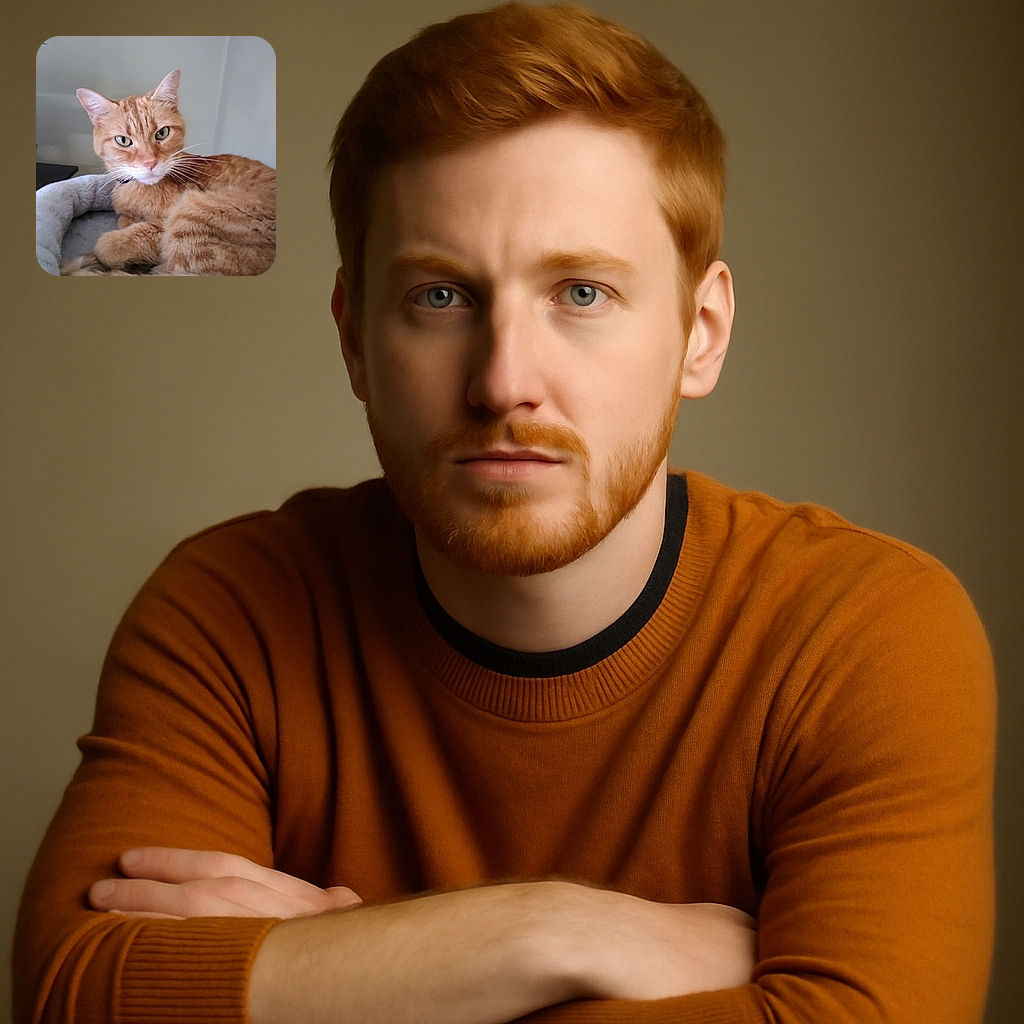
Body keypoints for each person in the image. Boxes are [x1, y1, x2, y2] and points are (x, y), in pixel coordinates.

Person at [13, 4, 995, 1023]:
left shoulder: (867, 634)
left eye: (579, 292)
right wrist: (561, 934)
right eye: (440, 297)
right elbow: (81, 994)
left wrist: (343, 969)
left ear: (699, 333)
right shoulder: (231, 613)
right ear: (354, 340)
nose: (504, 381)